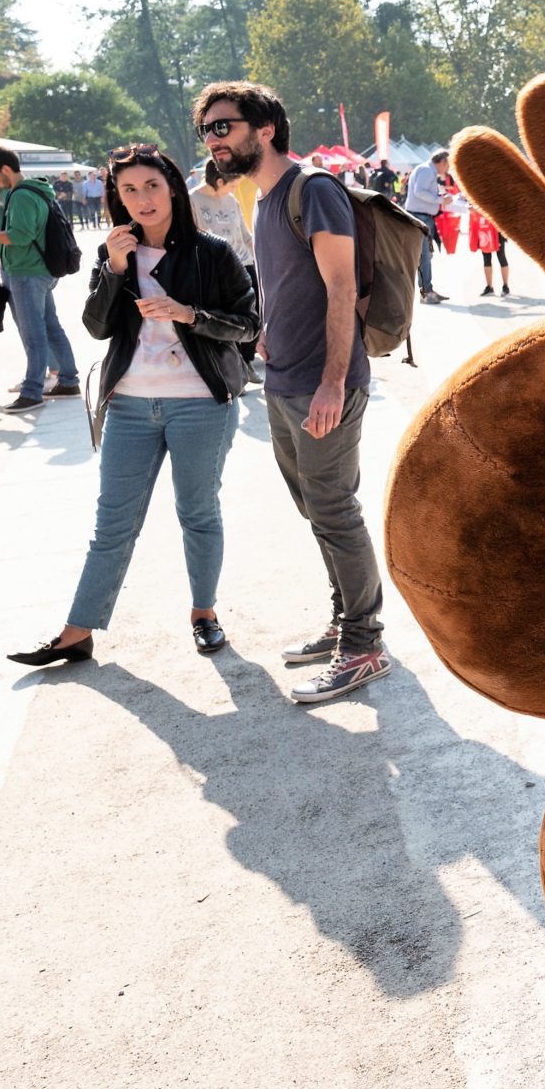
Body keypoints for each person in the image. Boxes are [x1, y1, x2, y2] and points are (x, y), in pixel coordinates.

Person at [6, 145, 259, 668]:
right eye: (128, 190)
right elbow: (97, 327)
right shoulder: (113, 252)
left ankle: (204, 615)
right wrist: (116, 268)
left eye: (151, 186)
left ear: (171, 187)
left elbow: (249, 325)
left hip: (199, 404)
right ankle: (77, 632)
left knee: (198, 512)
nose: (142, 199)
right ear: (115, 198)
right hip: (128, 405)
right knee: (113, 522)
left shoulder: (211, 252)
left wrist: (188, 314)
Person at [195, 80, 392, 702]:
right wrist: (265, 336)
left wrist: (333, 381)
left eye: (223, 127)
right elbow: (284, 283)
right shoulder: (261, 197)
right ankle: (344, 622)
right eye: (207, 131)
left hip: (323, 385)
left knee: (334, 509)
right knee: (315, 509)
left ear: (265, 129)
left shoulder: (314, 191)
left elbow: (340, 289)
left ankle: (365, 645)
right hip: (282, 381)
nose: (213, 141)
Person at [0, 146, 79, 412]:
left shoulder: (21, 194)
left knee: (33, 333)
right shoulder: (32, 190)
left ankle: (32, 392)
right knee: (50, 326)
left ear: (6, 169)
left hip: (26, 270)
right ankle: (68, 380)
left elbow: (19, 236)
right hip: (35, 270)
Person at [191, 158, 259, 372]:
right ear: (219, 181)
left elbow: (245, 234)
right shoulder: (193, 200)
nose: (235, 189)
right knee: (226, 319)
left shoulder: (231, 200)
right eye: (234, 184)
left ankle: (247, 362)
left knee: (251, 315)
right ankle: (234, 365)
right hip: (217, 269)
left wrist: (258, 254)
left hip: (244, 264)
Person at [403, 150, 450, 304]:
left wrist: (439, 199)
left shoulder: (426, 170)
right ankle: (426, 292)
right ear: (442, 161)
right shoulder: (427, 170)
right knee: (424, 256)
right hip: (421, 217)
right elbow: (419, 192)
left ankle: (427, 290)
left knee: (426, 256)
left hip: (422, 217)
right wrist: (439, 199)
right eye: (447, 164)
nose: (448, 168)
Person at [470, 197, 511, 296]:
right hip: (484, 227)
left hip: (497, 229)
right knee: (486, 258)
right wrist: (472, 207)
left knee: (501, 256)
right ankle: (489, 287)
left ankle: (505, 286)